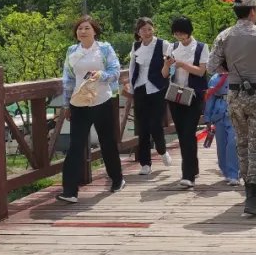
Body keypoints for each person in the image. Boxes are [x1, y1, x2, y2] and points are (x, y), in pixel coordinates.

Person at [208, 0, 256, 217]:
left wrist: (229, 71)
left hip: (235, 95)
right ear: (252, 11)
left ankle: (248, 186)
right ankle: (252, 194)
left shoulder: (224, 36)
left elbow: (211, 66)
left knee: (242, 143)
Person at [58, 15, 125, 203]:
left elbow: (115, 72)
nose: (83, 31)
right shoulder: (72, 51)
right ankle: (70, 191)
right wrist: (66, 105)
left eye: (87, 28)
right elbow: (68, 80)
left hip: (102, 100)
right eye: (79, 28)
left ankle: (117, 179)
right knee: (75, 146)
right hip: (79, 103)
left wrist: (100, 75)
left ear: (94, 31)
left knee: (108, 143)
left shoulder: (104, 49)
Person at [165, 16, 209, 188]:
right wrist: (168, 65)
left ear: (189, 31)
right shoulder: (172, 47)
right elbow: (165, 73)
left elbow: (201, 71)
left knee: (188, 132)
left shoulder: (201, 47)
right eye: (176, 33)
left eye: (182, 33)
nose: (179, 37)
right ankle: (193, 166)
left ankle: (188, 174)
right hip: (176, 95)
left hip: (194, 95)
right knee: (182, 133)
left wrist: (182, 64)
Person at [126, 17, 172, 175]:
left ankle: (162, 149)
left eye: (149, 29)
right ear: (138, 32)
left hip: (157, 88)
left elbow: (170, 66)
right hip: (140, 87)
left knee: (155, 124)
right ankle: (145, 163)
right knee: (142, 126)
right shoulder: (136, 45)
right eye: (143, 29)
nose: (146, 32)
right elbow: (132, 67)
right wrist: (131, 87)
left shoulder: (163, 44)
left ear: (154, 29)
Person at [203, 70, 240, 185]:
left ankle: (234, 173)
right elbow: (210, 99)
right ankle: (226, 172)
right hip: (219, 113)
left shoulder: (239, 74)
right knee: (221, 144)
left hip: (235, 112)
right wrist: (207, 118)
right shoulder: (215, 78)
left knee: (232, 143)